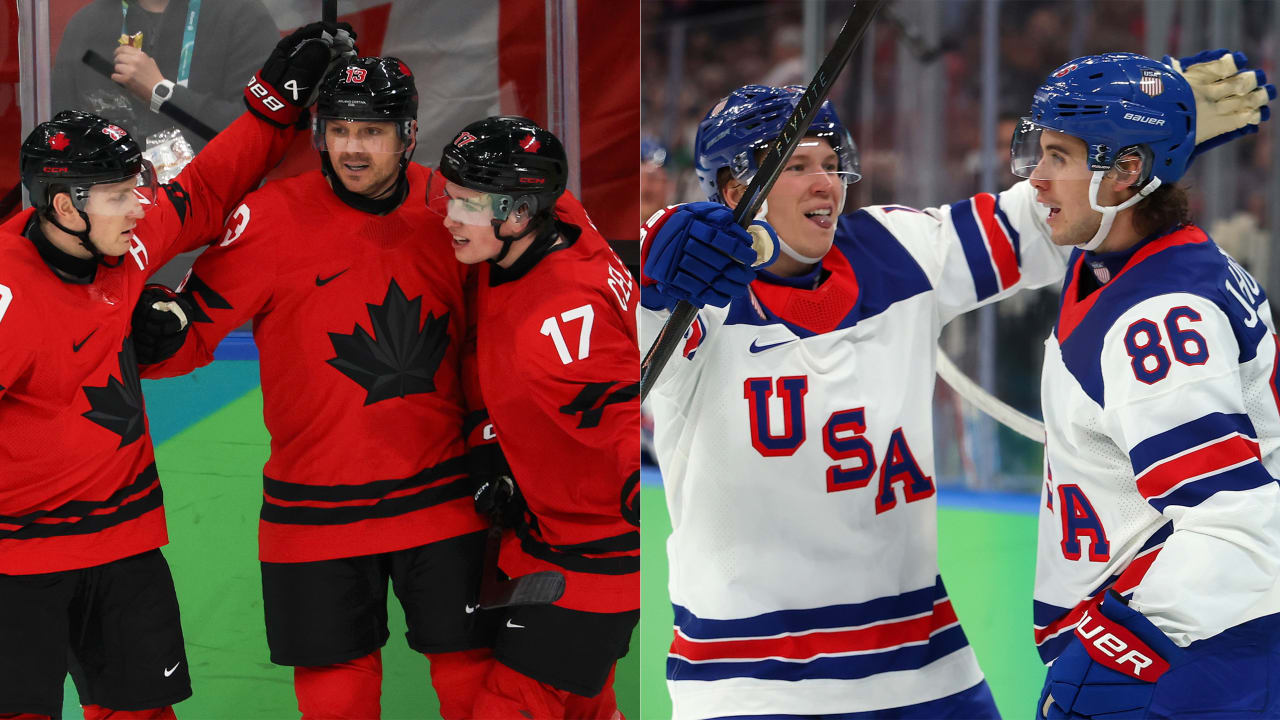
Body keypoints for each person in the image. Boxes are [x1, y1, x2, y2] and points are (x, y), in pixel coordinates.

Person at [639, 51, 1270, 719]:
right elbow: (621, 315)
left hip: (927, 669)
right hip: (748, 683)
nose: (824, 182)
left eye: (830, 162)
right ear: (735, 192)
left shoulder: (897, 248)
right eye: (795, 167)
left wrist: (1141, 132)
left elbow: (1044, 221)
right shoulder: (691, 301)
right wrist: (650, 249)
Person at [0, 22, 352, 720]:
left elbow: (208, 187)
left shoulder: (121, 246)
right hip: (17, 565)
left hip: (125, 546)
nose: (141, 207)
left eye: (138, 190)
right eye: (121, 196)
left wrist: (272, 103)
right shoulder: (5, 297)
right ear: (64, 207)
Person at [130, 56, 501, 719]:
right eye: (339, 129)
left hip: (443, 495)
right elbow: (189, 337)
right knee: (337, 697)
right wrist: (158, 331)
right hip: (314, 510)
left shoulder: (454, 209)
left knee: (473, 681)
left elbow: (507, 328)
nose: (352, 147)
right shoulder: (269, 218)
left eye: (373, 131)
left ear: (409, 135)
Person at [1015, 53, 1280, 719]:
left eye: (1058, 156)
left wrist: (1125, 646)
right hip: (1202, 642)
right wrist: (1163, 126)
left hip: (1194, 655)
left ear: (1127, 171)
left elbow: (1235, 517)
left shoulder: (1158, 318)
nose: (1036, 179)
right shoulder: (1131, 259)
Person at [437, 116, 640, 719]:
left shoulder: (559, 332)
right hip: (549, 542)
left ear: (520, 215)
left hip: (591, 564)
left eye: (467, 204)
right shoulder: (559, 219)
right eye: (452, 196)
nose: (448, 215)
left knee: (515, 707)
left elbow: (631, 437)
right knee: (585, 710)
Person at [52, 0, 280, 157]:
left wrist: (162, 93)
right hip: (110, 212)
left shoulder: (242, 16)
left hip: (213, 207)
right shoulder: (86, 25)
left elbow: (263, 134)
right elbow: (61, 134)